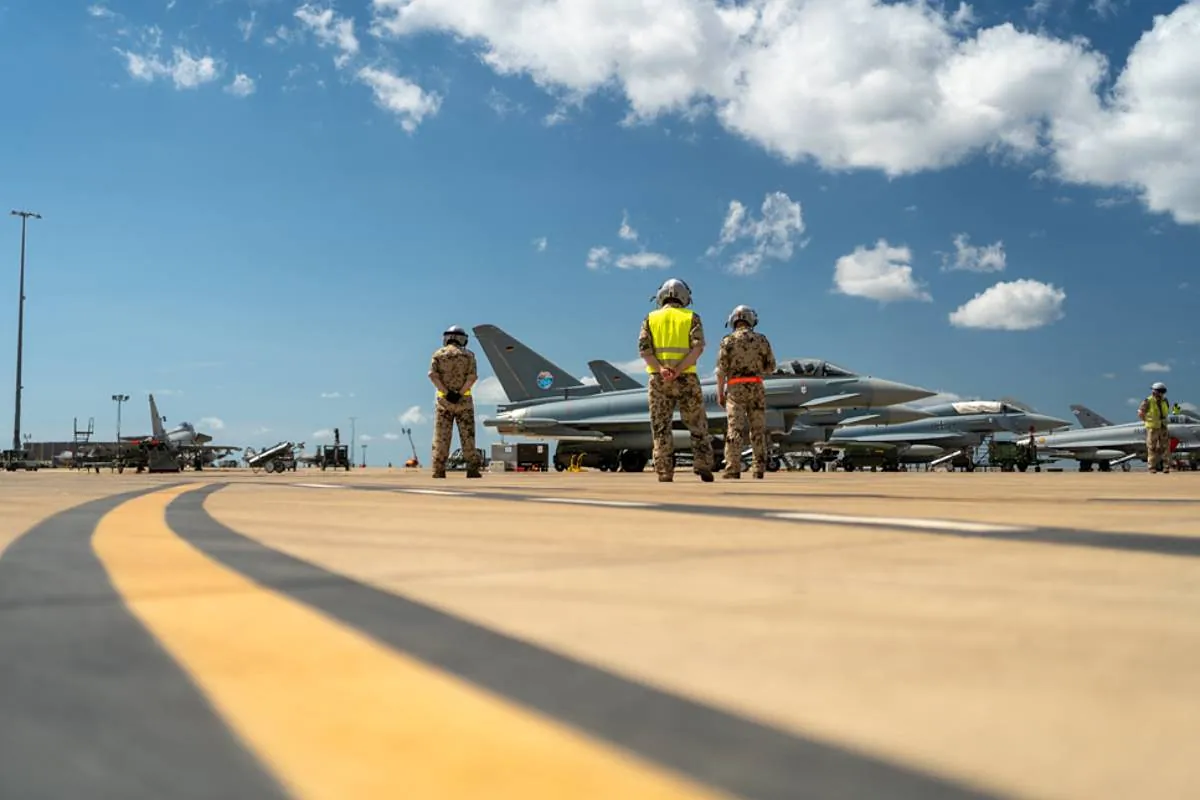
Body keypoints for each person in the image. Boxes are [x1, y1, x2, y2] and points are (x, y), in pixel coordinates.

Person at [637, 278, 714, 482]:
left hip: (658, 379)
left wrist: (662, 369)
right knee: (697, 424)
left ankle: (664, 471)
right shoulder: (691, 317)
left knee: (661, 426)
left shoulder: (650, 318)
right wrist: (679, 369)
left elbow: (644, 351)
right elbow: (698, 348)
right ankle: (703, 465)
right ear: (685, 297)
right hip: (686, 377)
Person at [715, 305, 776, 479]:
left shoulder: (727, 341)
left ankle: (733, 468)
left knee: (734, 429)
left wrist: (721, 393)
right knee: (758, 429)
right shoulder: (761, 340)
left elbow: (721, 371)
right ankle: (758, 469)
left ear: (733, 320)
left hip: (735, 389)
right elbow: (771, 367)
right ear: (751, 320)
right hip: (756, 387)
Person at [428, 325, 481, 478]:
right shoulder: (468, 356)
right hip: (464, 402)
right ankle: (472, 469)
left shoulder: (438, 355)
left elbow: (432, 375)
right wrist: (459, 393)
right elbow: (472, 377)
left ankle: (438, 470)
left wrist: (446, 393)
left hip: (443, 403)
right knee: (468, 437)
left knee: (441, 437)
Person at [1138, 381, 1171, 473]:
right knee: (1152, 447)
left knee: (1165, 447)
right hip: (1152, 428)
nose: (1160, 393)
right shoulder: (1147, 401)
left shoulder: (1165, 400)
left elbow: (1166, 411)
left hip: (1163, 426)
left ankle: (1166, 467)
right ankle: (1151, 467)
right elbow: (1141, 413)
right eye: (1158, 391)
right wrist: (1146, 421)